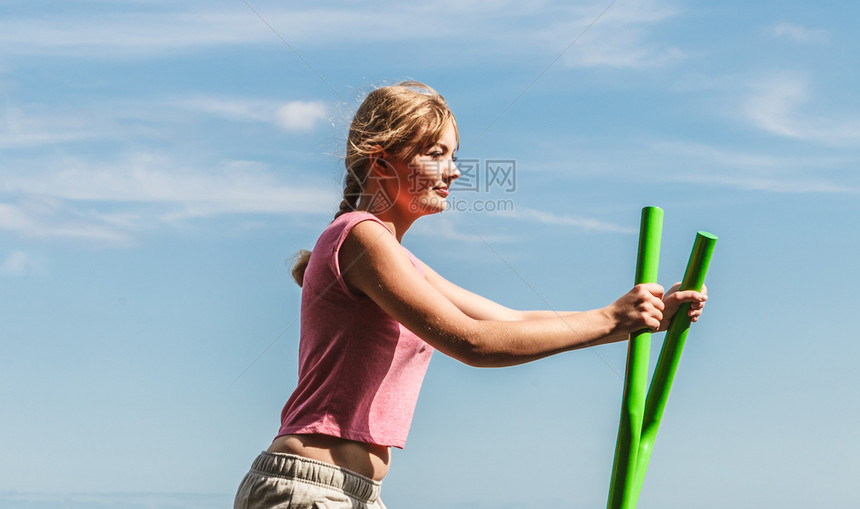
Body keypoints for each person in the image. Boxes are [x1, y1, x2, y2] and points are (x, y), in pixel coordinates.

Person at [233, 81, 707, 509]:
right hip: (312, 492)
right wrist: (611, 319)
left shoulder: (395, 256)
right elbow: (474, 343)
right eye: (436, 153)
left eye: (453, 155)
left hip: (354, 493)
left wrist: (644, 318)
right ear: (381, 161)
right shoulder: (360, 237)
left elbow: (510, 321)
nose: (454, 172)